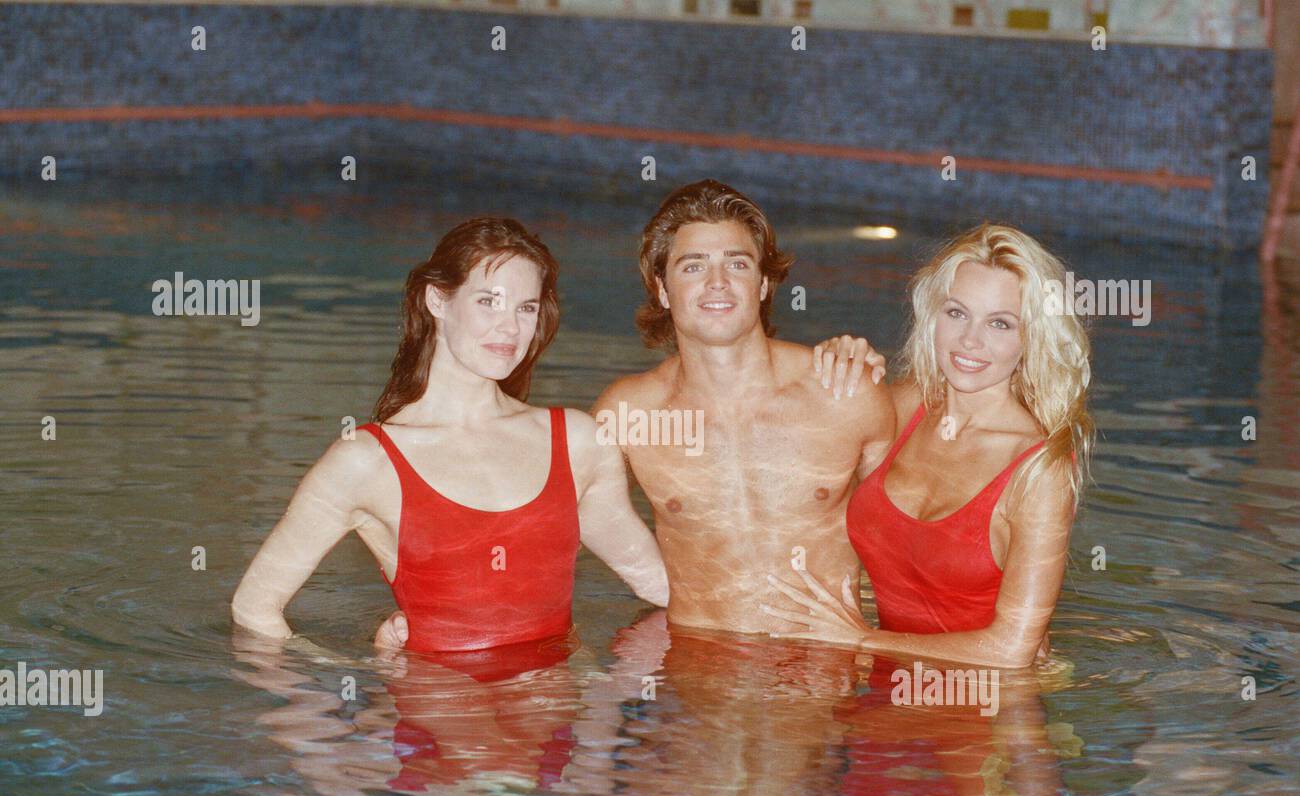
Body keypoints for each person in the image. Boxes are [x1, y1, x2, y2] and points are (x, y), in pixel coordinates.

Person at [232, 217, 668, 652]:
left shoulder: (579, 443)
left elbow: (660, 587)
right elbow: (254, 609)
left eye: (526, 307)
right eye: (489, 301)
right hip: (436, 709)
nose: (511, 328)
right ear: (437, 301)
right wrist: (352, 674)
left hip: (553, 710)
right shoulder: (365, 461)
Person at [763, 223, 1094, 668]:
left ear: (1030, 338)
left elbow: (1010, 652)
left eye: (1000, 323)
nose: (970, 340)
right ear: (932, 314)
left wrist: (861, 642)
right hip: (882, 691)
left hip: (990, 711)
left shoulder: (1039, 468)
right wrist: (837, 367)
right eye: (957, 313)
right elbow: (781, 470)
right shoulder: (898, 407)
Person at [591, 179, 895, 634]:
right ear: (662, 289)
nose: (718, 283)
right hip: (696, 670)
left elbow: (908, 542)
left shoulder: (844, 391)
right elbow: (572, 510)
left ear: (764, 283)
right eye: (693, 267)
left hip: (820, 674)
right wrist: (670, 599)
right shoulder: (630, 412)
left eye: (737, 263)